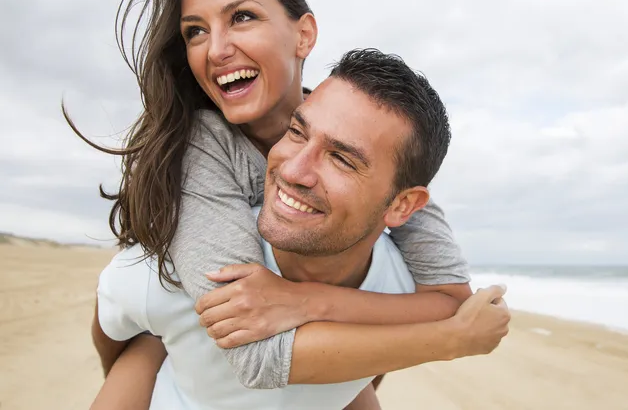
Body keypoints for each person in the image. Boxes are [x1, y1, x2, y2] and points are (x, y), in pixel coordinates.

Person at [92, 49, 510, 410]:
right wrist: (146, 359)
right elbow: (112, 327)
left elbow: (373, 366)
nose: (293, 170)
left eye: (342, 159)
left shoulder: (406, 290)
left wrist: (310, 307)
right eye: (296, 132)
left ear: (403, 206)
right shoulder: (186, 273)